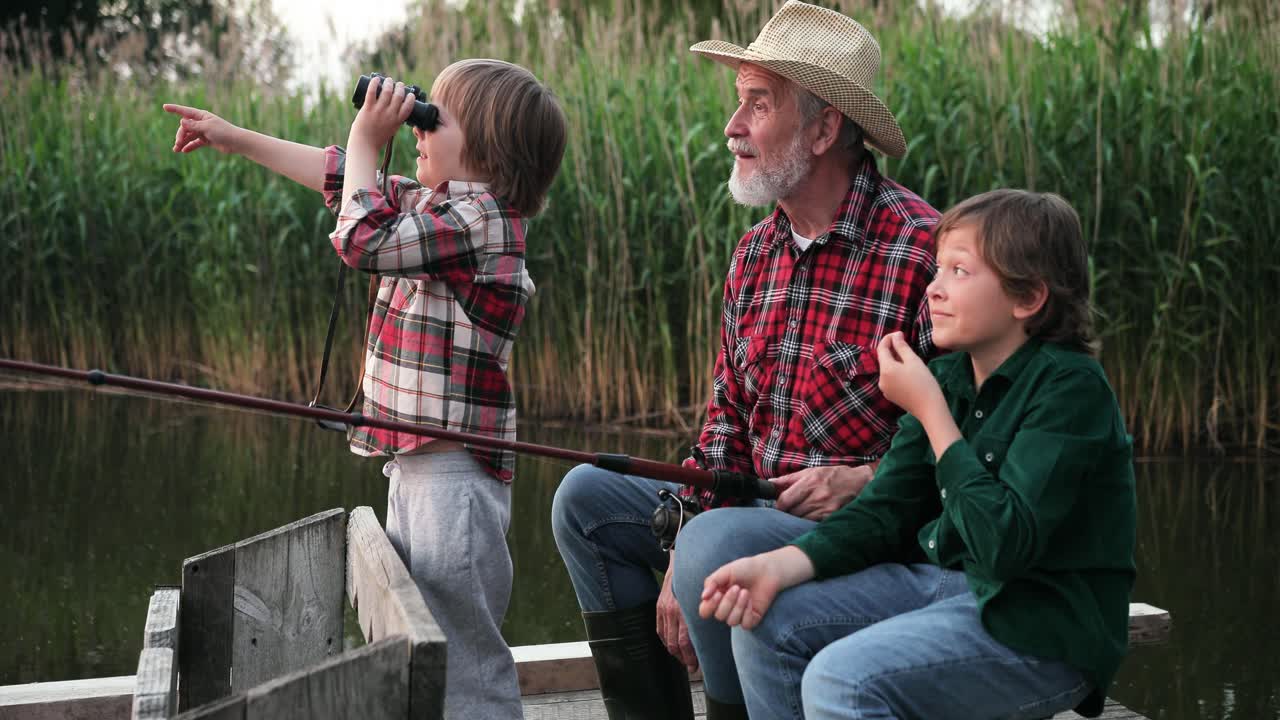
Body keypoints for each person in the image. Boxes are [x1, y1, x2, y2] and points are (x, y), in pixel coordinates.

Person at [550, 3, 939, 717]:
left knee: (715, 539)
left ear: (824, 129)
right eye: (739, 104)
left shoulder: (924, 252)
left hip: (868, 535)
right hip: (741, 508)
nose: (732, 129)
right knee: (585, 499)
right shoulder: (754, 256)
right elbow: (725, 423)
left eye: (758, 105)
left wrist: (861, 481)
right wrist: (675, 554)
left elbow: (965, 445)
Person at [163, 59, 567, 719]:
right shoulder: (442, 208)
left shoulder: (485, 221)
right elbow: (340, 183)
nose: (418, 125)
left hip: (455, 480)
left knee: (461, 653)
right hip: (417, 464)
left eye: (433, 117)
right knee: (422, 635)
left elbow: (359, 237)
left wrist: (366, 139)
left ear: (489, 152)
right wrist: (234, 136)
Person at [686, 189, 1137, 720]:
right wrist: (775, 567)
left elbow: (1003, 547)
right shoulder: (948, 378)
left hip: (1041, 624)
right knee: (765, 622)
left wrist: (930, 412)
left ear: (1029, 298)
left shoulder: (1070, 390)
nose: (934, 289)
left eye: (959, 272)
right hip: (948, 584)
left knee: (843, 682)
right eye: (937, 268)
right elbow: (883, 512)